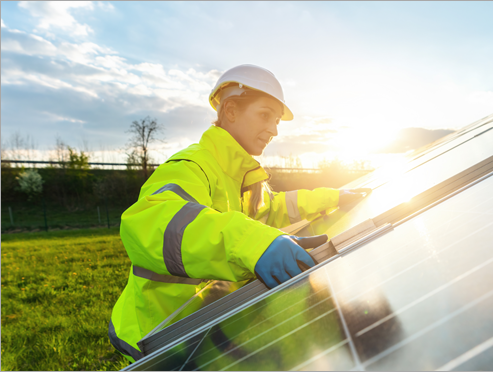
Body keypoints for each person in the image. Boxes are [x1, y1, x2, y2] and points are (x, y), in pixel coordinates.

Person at [107, 64, 370, 362]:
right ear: (230, 110)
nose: (273, 129)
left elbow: (276, 208)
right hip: (161, 335)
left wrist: (333, 196)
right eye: (265, 115)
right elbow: (151, 223)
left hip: (203, 326)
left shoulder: (245, 178)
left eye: (276, 121)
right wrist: (252, 243)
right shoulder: (191, 166)